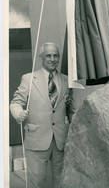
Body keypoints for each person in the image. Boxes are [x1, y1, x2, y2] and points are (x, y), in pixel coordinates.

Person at [10, 42, 75, 188]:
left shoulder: (66, 80)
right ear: (41, 57)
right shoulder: (28, 79)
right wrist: (18, 113)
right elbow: (15, 102)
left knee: (60, 181)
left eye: (56, 56)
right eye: (48, 56)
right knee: (37, 182)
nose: (52, 59)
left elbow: (70, 107)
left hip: (60, 140)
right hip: (36, 139)